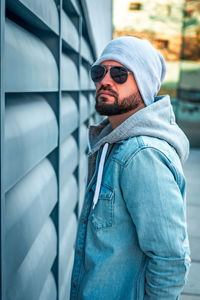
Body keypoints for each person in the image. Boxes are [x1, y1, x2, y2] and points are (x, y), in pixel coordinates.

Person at [70, 36, 191, 300]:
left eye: (120, 73)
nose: (105, 80)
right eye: (99, 71)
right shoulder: (113, 143)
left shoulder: (141, 155)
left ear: (145, 84)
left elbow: (170, 260)